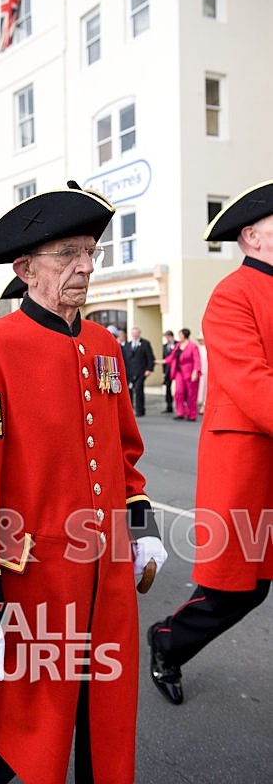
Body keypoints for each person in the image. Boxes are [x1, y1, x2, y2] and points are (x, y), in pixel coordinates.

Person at [0, 183, 167, 784]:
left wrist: (142, 527)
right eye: (68, 254)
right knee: (5, 734)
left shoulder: (103, 344)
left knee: (100, 720)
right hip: (31, 582)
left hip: (105, 579)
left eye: (90, 252)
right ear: (25, 269)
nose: (85, 266)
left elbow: (124, 452)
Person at [148, 179, 273, 705]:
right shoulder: (232, 293)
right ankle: (167, 641)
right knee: (237, 588)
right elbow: (250, 382)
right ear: (251, 237)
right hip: (249, 459)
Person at [161, 328, 202, 421]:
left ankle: (192, 414)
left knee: (191, 394)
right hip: (179, 372)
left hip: (190, 372)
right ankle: (180, 412)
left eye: (180, 334)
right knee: (178, 393)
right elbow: (172, 357)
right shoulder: (178, 345)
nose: (179, 336)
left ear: (184, 335)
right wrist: (162, 361)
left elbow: (197, 359)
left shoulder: (192, 346)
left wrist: (196, 371)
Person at [122, 326, 155, 417]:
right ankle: (130, 410)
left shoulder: (145, 343)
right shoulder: (128, 345)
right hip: (130, 372)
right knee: (129, 391)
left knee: (138, 389)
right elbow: (125, 358)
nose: (134, 335)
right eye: (133, 333)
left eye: (136, 333)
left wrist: (149, 369)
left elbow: (150, 357)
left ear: (139, 333)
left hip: (141, 371)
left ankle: (140, 410)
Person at [161, 330, 176, 413]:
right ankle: (169, 406)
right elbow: (164, 358)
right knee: (168, 387)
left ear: (171, 336)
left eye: (167, 337)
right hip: (167, 370)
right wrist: (163, 372)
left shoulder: (177, 344)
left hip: (176, 369)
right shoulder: (165, 346)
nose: (166, 338)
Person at [196, 332, 208, 414]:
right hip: (199, 371)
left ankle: (204, 406)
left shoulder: (207, 348)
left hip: (206, 371)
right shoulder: (197, 348)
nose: (200, 341)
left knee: (205, 389)